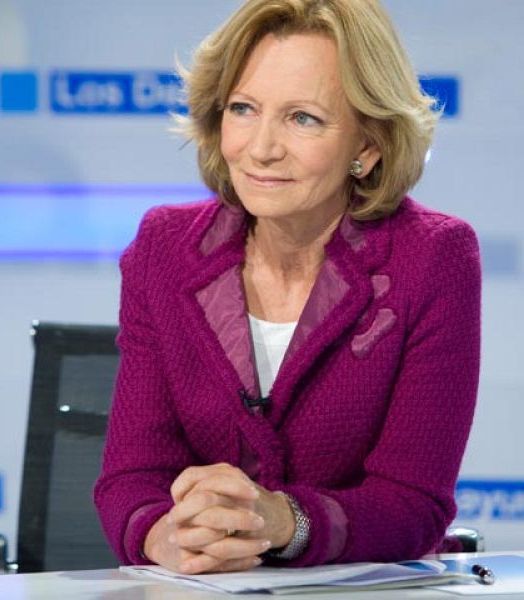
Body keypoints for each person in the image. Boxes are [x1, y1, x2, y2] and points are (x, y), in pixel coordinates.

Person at [93, 0, 481, 575]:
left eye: (303, 118)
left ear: (367, 145)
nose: (261, 148)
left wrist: (282, 521)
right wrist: (164, 534)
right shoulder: (165, 248)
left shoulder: (433, 256)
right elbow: (132, 477)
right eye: (243, 109)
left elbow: (412, 504)